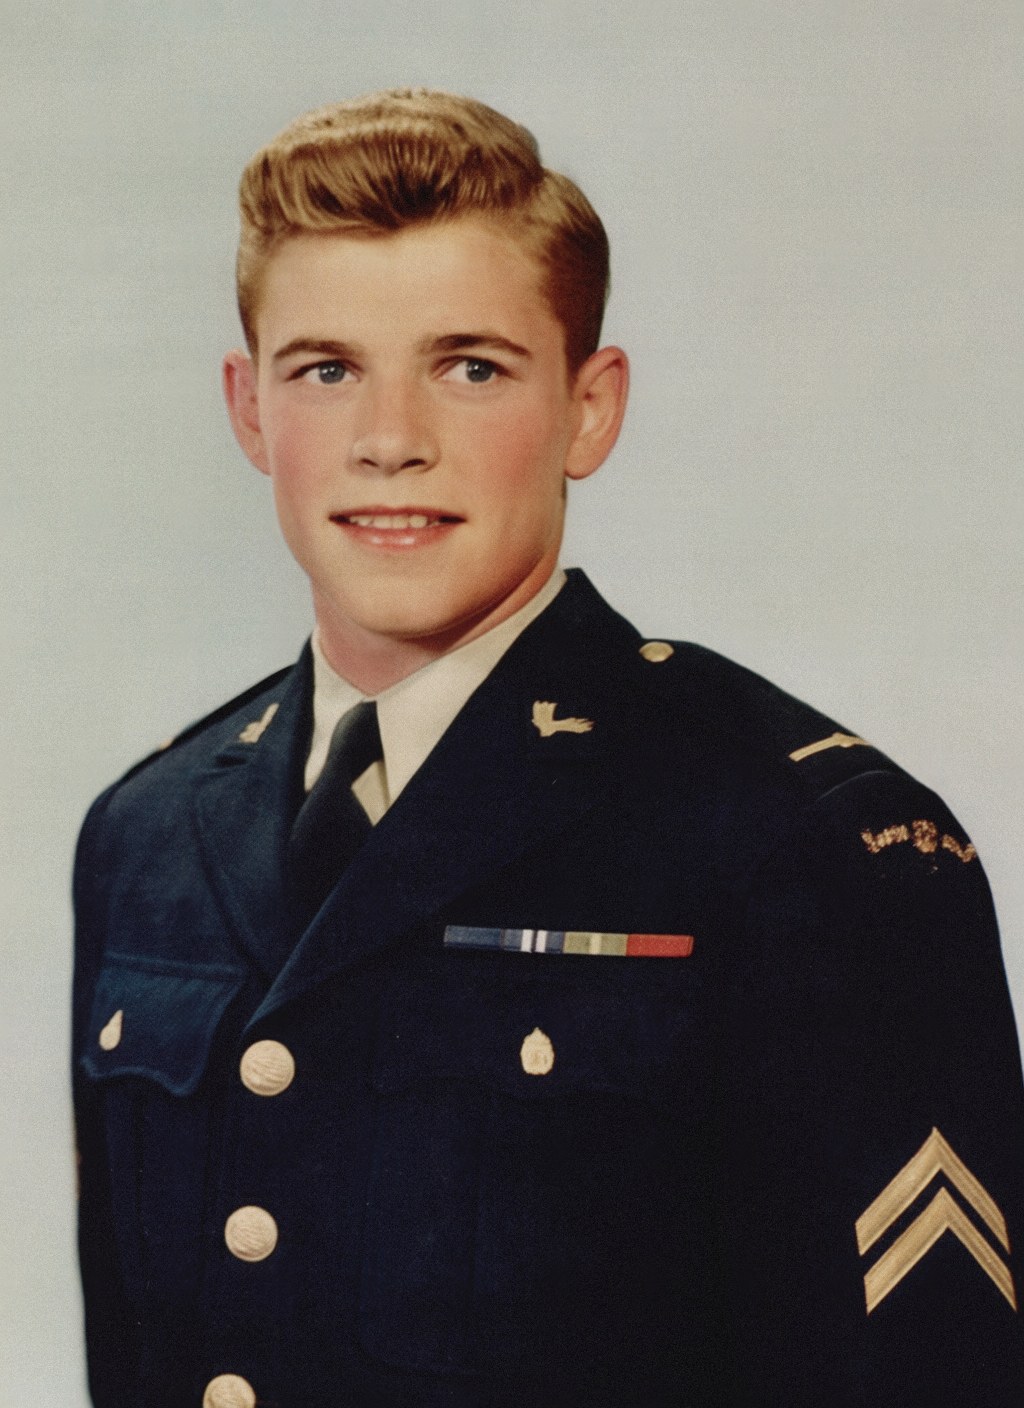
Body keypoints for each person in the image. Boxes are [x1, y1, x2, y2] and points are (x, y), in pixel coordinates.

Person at [72, 88, 1024, 1408]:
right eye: (326, 370)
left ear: (590, 408)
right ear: (248, 409)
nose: (390, 441)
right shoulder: (146, 839)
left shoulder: (797, 840)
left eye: (470, 367)